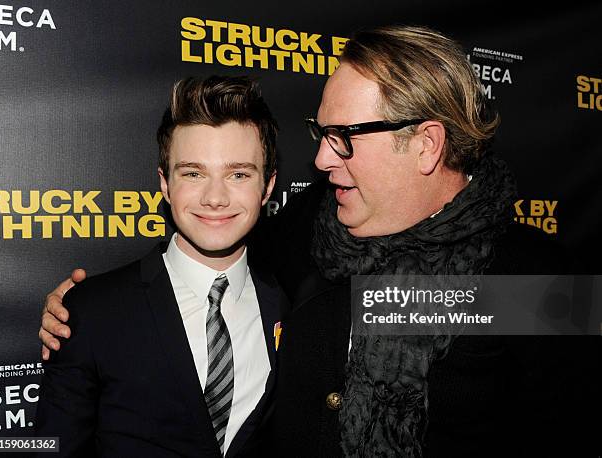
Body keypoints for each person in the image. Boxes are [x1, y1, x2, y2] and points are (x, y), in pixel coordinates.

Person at [40, 26, 599, 457]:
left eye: (345, 138)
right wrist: (82, 310)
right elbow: (208, 255)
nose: (323, 159)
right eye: (321, 134)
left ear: (426, 145)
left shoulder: (542, 280)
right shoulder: (313, 226)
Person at [35, 75, 289, 458]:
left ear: (268, 187)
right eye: (193, 173)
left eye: (238, 174)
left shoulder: (289, 298)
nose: (215, 197)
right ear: (165, 185)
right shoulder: (90, 310)